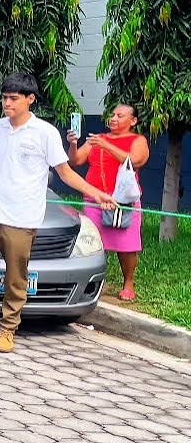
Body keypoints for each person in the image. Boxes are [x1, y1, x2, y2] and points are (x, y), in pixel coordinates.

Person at [0, 73, 117, 353]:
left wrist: (97, 194)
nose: (7, 103)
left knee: (16, 277)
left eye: (13, 98)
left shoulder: (45, 133)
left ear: (30, 99)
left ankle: (7, 330)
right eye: (4, 98)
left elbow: (66, 173)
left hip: (21, 219)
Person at [67, 103, 149, 302]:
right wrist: (73, 144)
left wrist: (107, 146)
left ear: (133, 121)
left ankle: (128, 283)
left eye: (120, 116)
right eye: (112, 115)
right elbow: (75, 161)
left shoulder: (137, 140)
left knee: (126, 245)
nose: (113, 119)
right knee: (92, 242)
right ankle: (92, 281)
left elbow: (135, 161)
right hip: (95, 198)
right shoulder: (98, 139)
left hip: (123, 201)